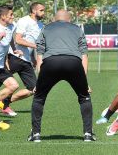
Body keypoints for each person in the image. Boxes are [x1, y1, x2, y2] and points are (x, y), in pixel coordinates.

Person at [27, 9, 95, 142]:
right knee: (84, 97)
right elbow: (84, 55)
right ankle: (88, 134)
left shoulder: (46, 28)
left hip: (51, 63)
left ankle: (35, 134)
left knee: (39, 98)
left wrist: (39, 82)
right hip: (73, 63)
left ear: (54, 19)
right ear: (69, 19)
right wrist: (84, 82)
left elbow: (39, 55)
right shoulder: (77, 29)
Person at [0, 2, 45, 111]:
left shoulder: (41, 25)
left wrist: (33, 58)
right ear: (34, 11)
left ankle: (5, 101)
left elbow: (32, 41)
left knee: (34, 89)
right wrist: (36, 46)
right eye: (41, 10)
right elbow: (18, 40)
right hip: (15, 57)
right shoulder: (24, 21)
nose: (44, 12)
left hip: (26, 60)